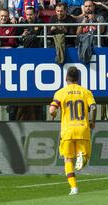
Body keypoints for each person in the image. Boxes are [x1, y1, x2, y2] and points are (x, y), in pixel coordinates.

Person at [49, 66, 97, 195]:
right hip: (82, 129)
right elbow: (93, 107)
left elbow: (52, 110)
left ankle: (73, 188)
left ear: (66, 78)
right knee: (85, 158)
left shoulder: (60, 92)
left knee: (68, 159)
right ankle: (81, 156)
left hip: (67, 131)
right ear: (78, 79)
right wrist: (92, 122)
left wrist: (53, 114)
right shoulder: (86, 92)